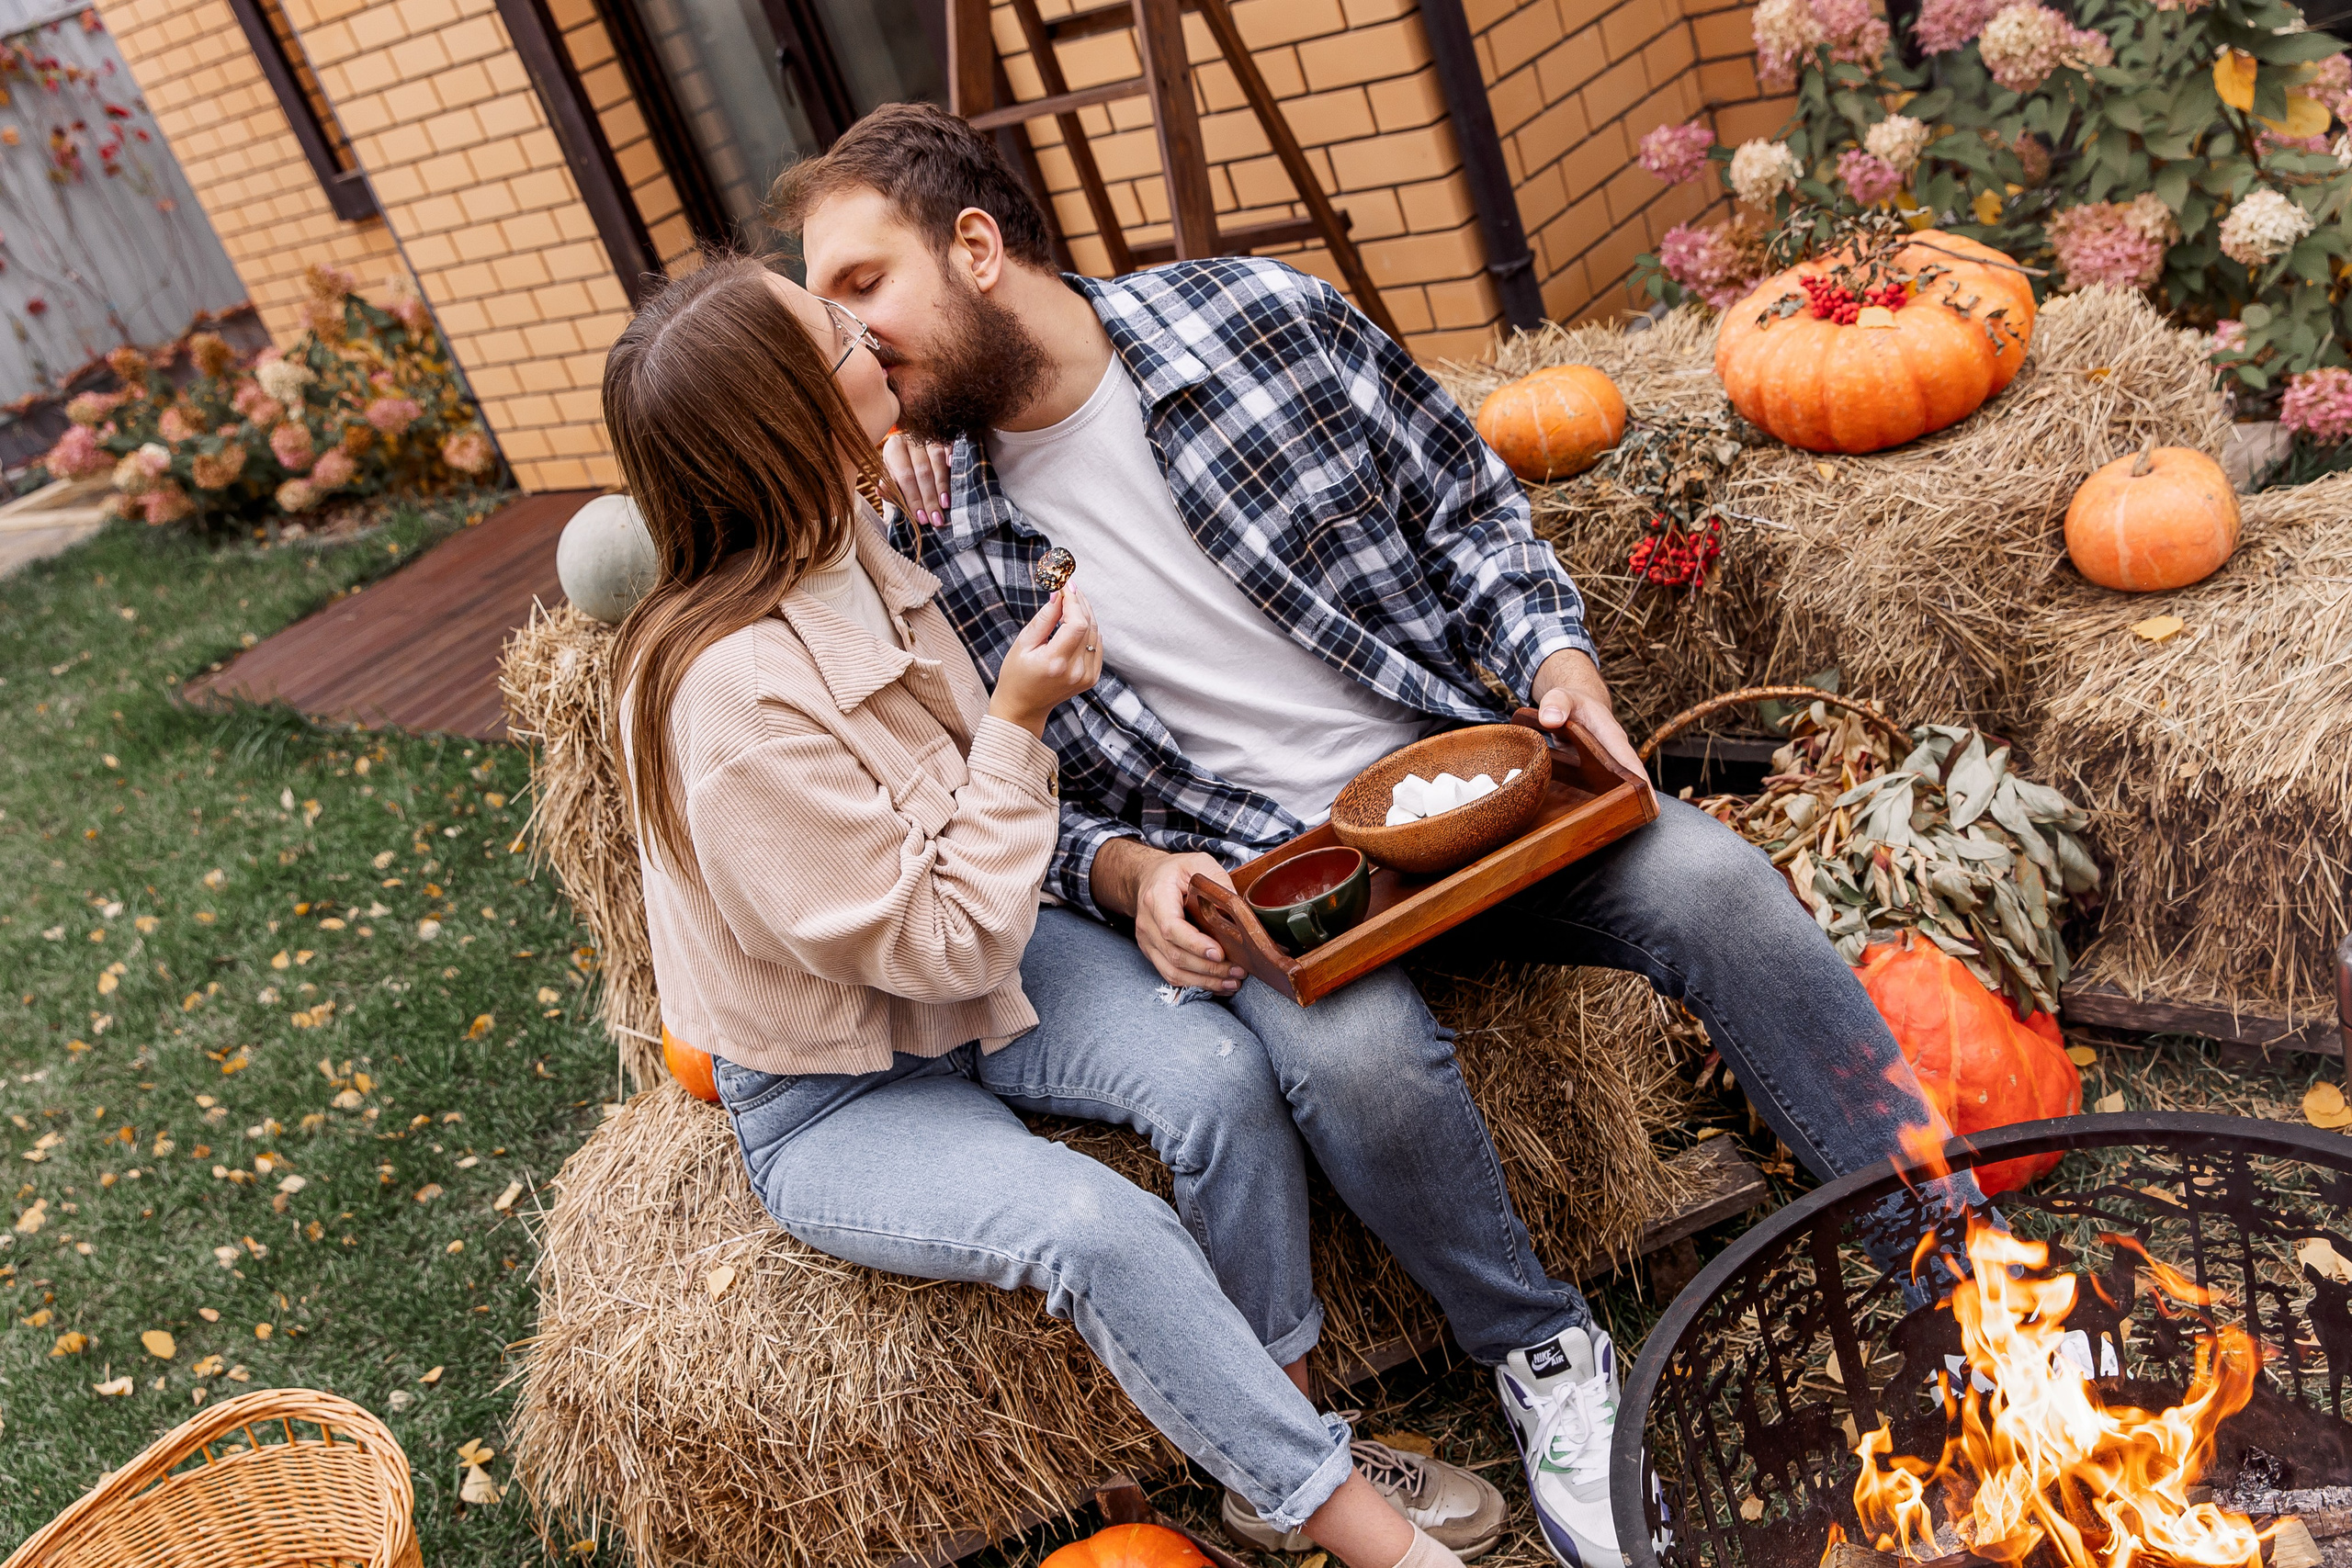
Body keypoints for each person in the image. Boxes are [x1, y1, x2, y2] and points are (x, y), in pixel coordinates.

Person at [777, 104, 1983, 1568]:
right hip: (1287, 886)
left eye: (860, 289)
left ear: (976, 247)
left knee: (1718, 885)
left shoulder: (1262, 321)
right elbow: (998, 785)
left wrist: (1554, 662)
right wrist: (1132, 874)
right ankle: (1542, 1356)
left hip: (1469, 784)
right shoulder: (922, 527)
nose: (848, 339)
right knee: (1358, 1066)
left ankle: (1941, 1254)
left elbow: (1470, 509)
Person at [604, 253, 1485, 1568]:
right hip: (844, 1086)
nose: (873, 335)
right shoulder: (723, 695)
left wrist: (883, 465)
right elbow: (942, 932)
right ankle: (1363, 1533)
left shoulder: (860, 535)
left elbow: (976, 929)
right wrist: (1017, 719)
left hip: (985, 986)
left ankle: (1276, 1444)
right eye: (840, 335)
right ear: (788, 422)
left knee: (1217, 1073)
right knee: (1097, 1228)